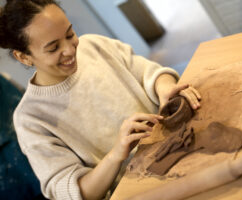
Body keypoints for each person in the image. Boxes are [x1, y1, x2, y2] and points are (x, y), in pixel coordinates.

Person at [0, 0, 201, 199]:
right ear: (24, 57)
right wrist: (116, 155)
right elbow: (74, 193)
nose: (70, 50)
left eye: (70, 34)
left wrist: (164, 88)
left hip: (182, 146)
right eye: (53, 48)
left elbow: (150, 73)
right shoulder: (30, 119)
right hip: (141, 189)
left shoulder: (95, 46)